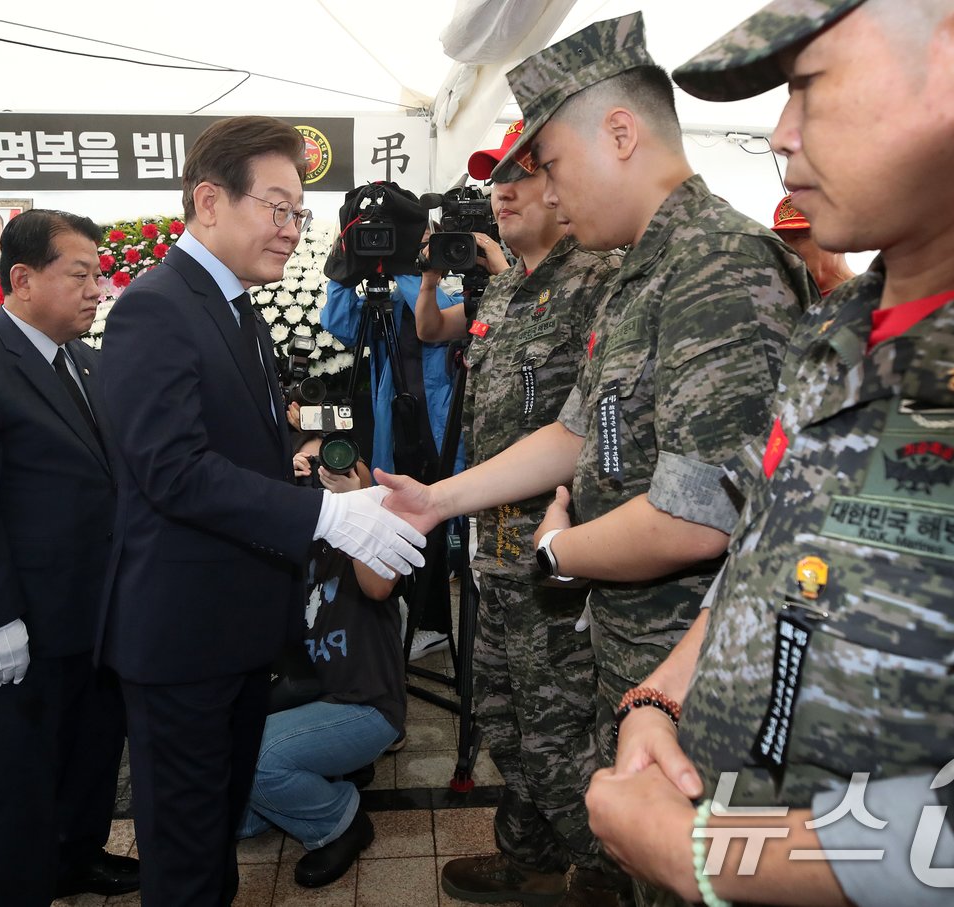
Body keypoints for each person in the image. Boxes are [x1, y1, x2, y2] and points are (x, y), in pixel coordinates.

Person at [580, 1, 954, 905]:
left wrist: (713, 856)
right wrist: (663, 696)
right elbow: (764, 554)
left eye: (808, 87)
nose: (781, 133)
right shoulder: (838, 328)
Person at [376, 13, 816, 903]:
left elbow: (699, 516)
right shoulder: (641, 271)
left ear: (621, 133)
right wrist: (436, 500)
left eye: (554, 165)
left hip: (698, 675)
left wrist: (553, 554)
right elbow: (575, 435)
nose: (550, 192)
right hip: (637, 660)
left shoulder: (719, 266)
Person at [95, 115, 425, 907]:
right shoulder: (158, 307)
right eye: (276, 208)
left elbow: (247, 457)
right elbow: (173, 471)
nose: (290, 230)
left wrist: (338, 494)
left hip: (233, 630)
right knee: (184, 850)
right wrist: (325, 521)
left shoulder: (234, 307)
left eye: (298, 213)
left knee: (213, 828)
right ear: (210, 201)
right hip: (182, 636)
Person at [414, 122, 625, 907]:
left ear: (561, 187)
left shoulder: (599, 282)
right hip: (492, 549)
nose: (502, 189)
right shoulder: (502, 288)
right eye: (495, 175)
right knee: (501, 716)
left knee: (558, 732)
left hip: (557, 561)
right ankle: (528, 857)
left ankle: (604, 877)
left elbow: (594, 432)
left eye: (523, 173)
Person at [0, 208, 138, 905]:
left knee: (92, 755)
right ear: (23, 277)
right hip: (23, 621)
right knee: (20, 775)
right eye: (80, 274)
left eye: (100, 274)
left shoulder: (92, 363)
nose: (97, 288)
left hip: (95, 612)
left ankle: (77, 857)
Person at [237, 433, 404, 888]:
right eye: (311, 465)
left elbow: (379, 587)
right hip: (305, 698)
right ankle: (301, 788)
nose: (326, 472)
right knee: (237, 815)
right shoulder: (298, 537)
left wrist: (359, 504)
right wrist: (282, 493)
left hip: (365, 705)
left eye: (339, 462)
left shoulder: (383, 526)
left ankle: (340, 820)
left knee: (258, 760)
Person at [322, 224, 465, 660]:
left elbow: (437, 319)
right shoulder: (387, 302)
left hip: (437, 425)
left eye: (418, 238)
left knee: (436, 527)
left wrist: (414, 265)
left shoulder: (451, 284)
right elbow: (339, 323)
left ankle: (435, 623)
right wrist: (343, 266)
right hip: (397, 424)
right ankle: (409, 609)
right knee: (396, 518)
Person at [770, 194, 855, 296]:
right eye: (782, 240)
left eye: (799, 237)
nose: (787, 249)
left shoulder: (871, 296)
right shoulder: (779, 303)